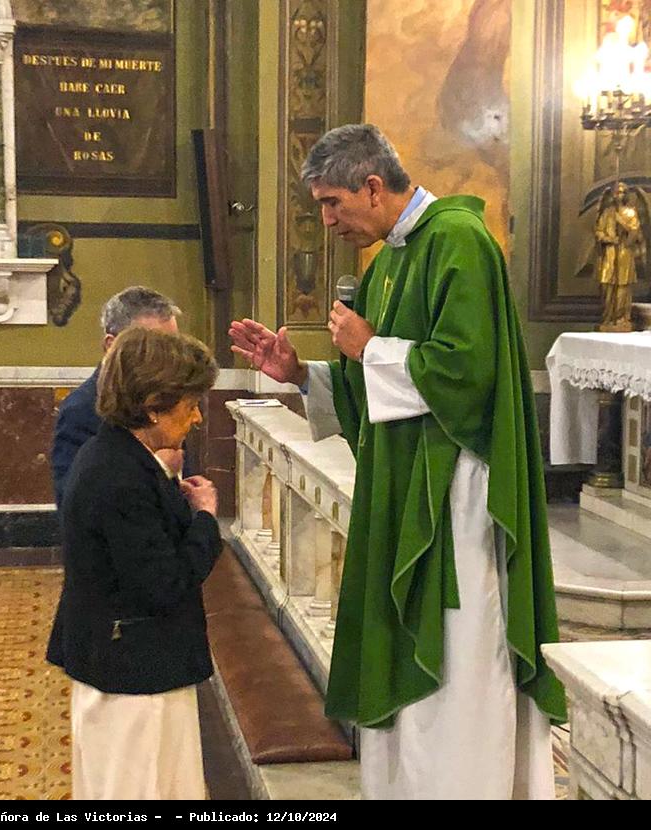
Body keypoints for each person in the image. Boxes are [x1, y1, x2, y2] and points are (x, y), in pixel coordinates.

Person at [229, 123, 566, 800]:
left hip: (455, 493)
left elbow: (468, 376)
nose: (328, 222)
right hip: (403, 486)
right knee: (408, 651)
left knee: (459, 652)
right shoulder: (389, 261)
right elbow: (372, 390)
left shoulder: (458, 240)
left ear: (373, 186)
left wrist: (369, 349)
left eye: (332, 204)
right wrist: (301, 374)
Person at [47, 327, 221, 800]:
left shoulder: (116, 455)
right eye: (190, 404)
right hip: (133, 678)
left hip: (127, 663)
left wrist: (165, 479)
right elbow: (165, 584)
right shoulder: (120, 476)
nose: (197, 416)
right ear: (153, 406)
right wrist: (206, 519)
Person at [51, 286, 185, 507]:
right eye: (152, 346)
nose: (170, 357)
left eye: (174, 345)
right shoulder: (81, 409)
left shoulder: (168, 399)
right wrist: (157, 468)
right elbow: (74, 503)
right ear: (111, 345)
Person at [595, 182, 644, 331]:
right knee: (607, 286)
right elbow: (599, 231)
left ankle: (621, 317)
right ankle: (608, 317)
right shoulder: (607, 212)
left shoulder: (631, 213)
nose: (619, 195)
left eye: (622, 192)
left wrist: (621, 222)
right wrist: (608, 239)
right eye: (617, 192)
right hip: (610, 252)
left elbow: (635, 233)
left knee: (623, 285)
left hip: (624, 253)